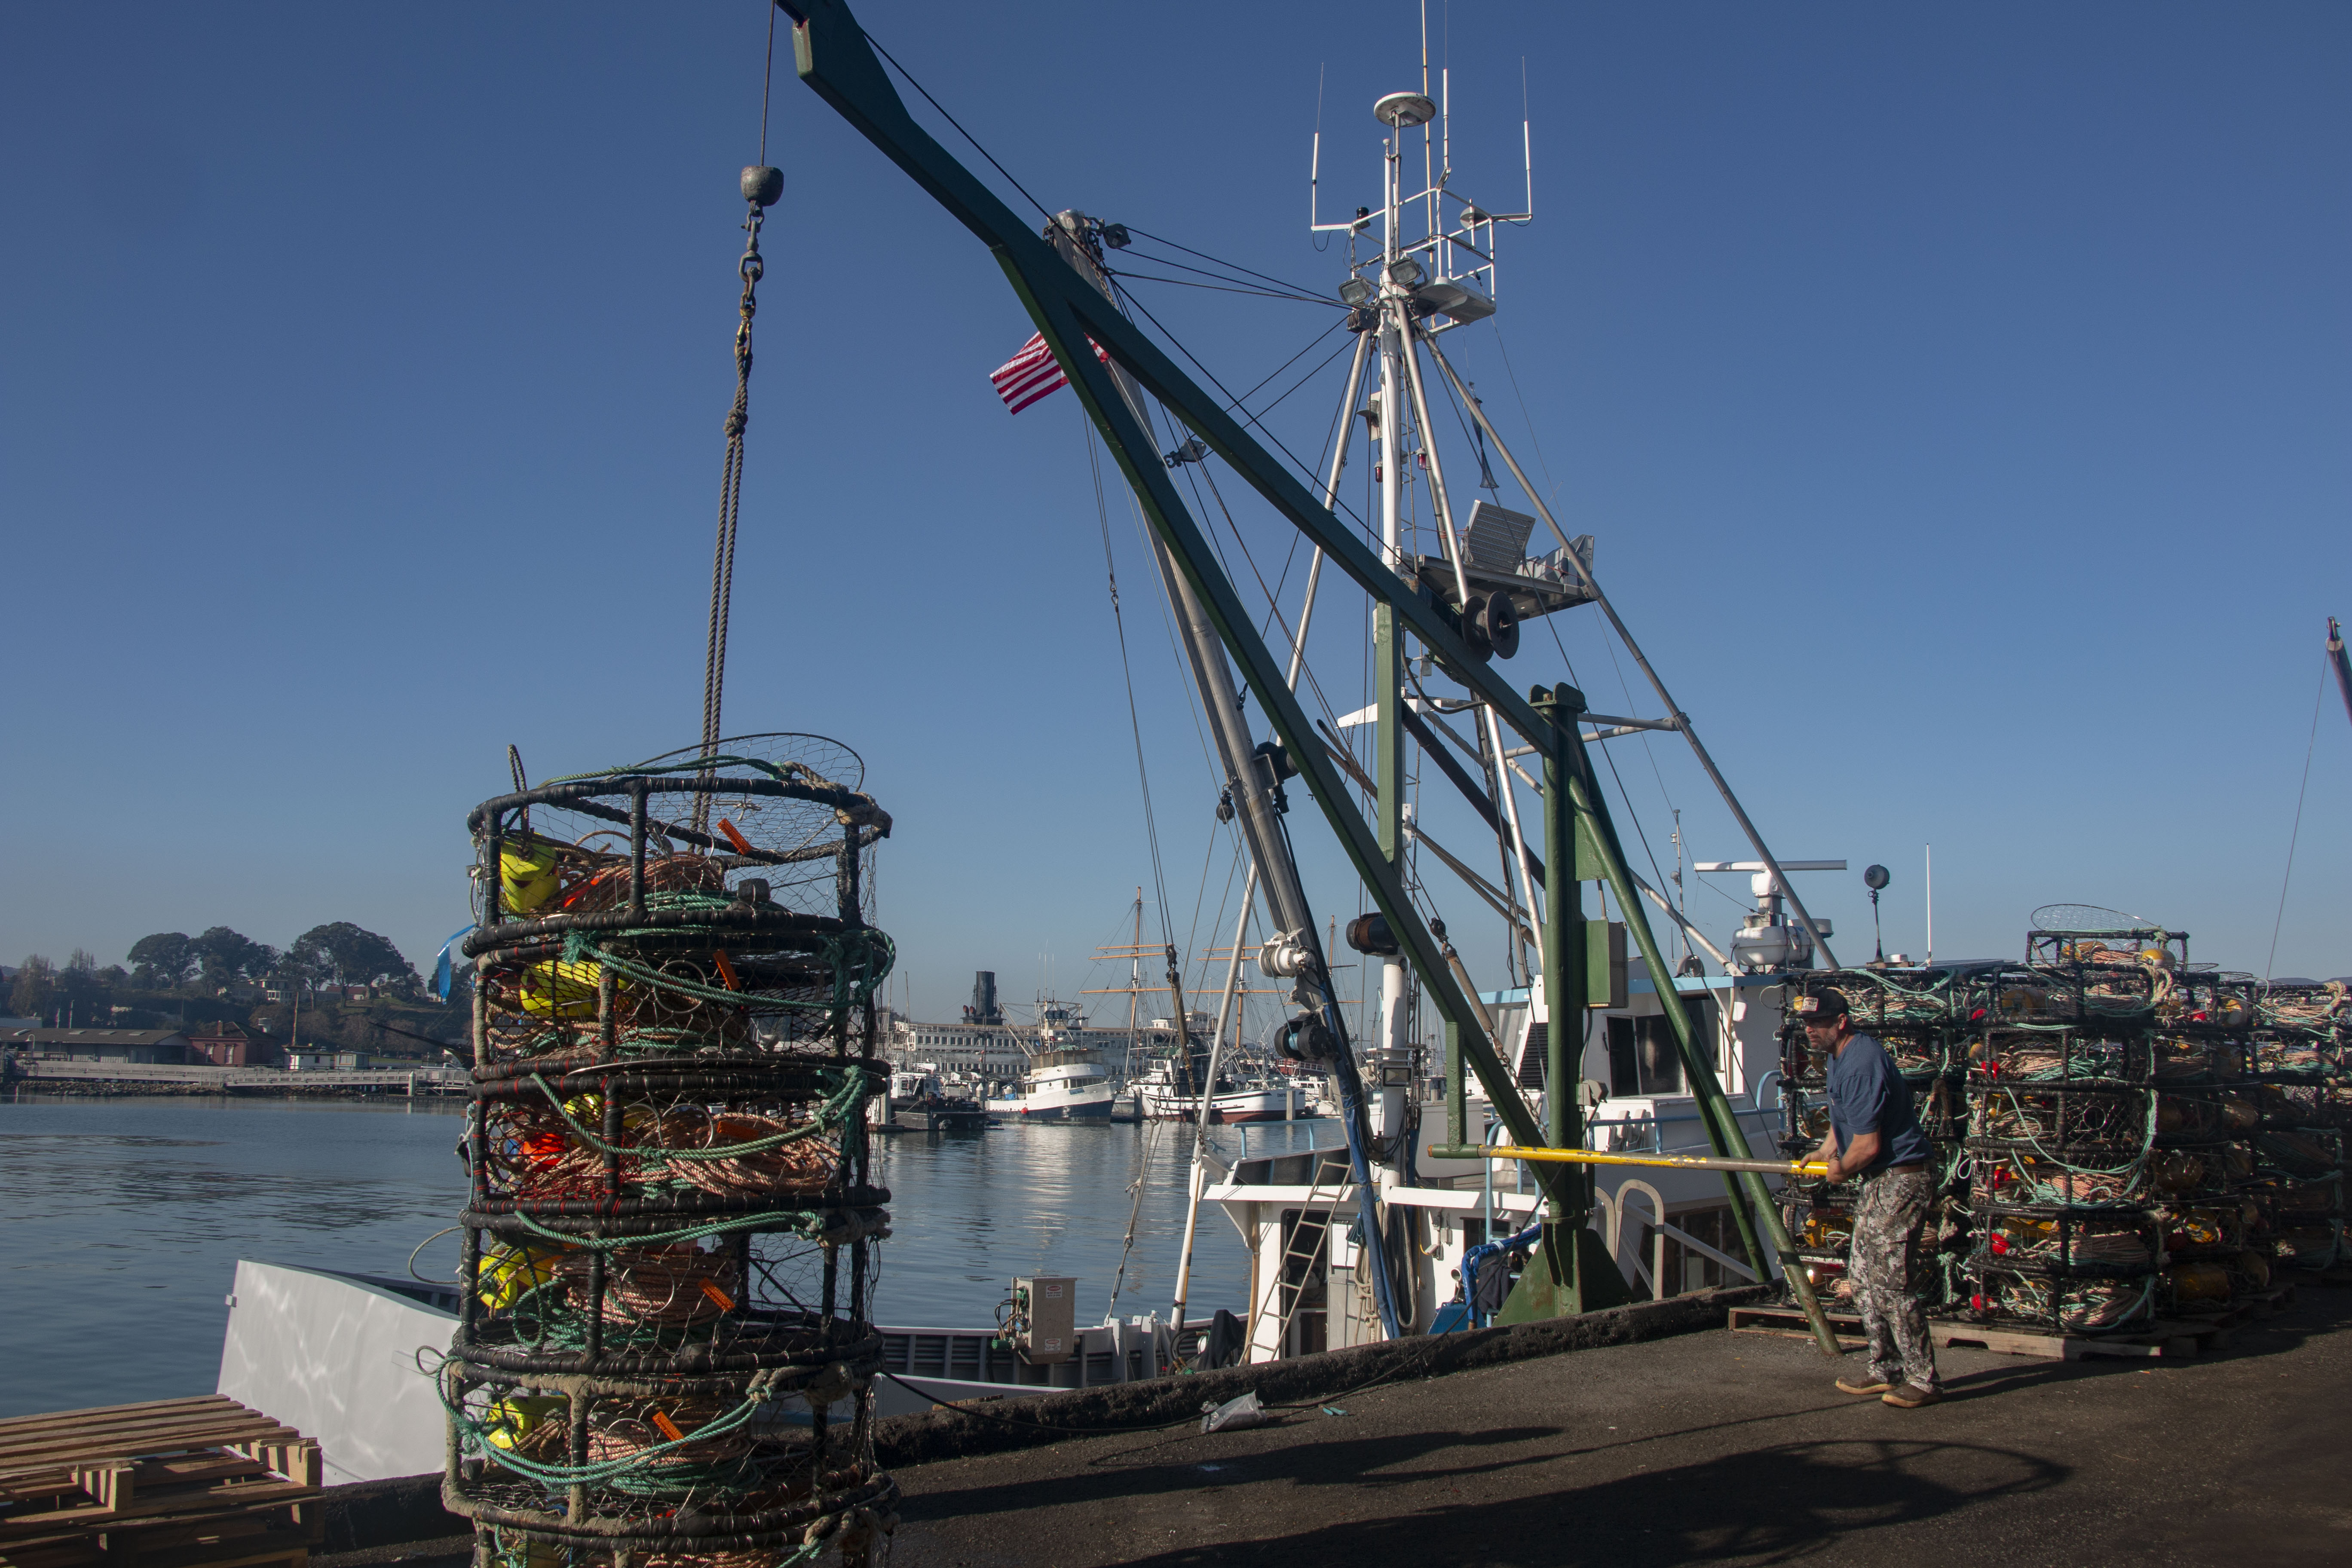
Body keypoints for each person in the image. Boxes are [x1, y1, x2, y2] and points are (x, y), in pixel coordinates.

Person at [1798, 987, 1941, 1407]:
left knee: (1891, 1281)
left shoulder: (1861, 1062)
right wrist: (1825, 1152)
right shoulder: (1839, 1059)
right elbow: (1845, 1120)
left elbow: (1867, 1146)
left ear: (1841, 1022)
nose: (1811, 1031)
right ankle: (1886, 1369)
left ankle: (1924, 1380)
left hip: (1902, 1177)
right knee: (1861, 1276)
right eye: (1807, 1024)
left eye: (1819, 1023)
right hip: (1881, 1180)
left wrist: (1840, 1170)